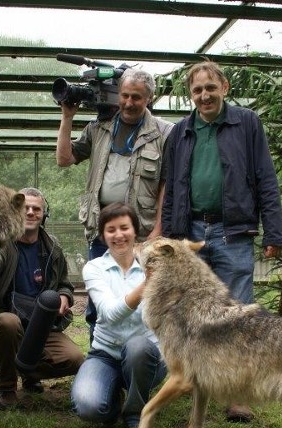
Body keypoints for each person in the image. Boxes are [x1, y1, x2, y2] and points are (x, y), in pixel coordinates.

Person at [162, 60, 282, 423]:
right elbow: (172, 189)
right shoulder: (180, 133)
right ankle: (197, 381)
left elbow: (265, 178)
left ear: (224, 88)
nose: (204, 96)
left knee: (238, 313)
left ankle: (236, 394)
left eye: (210, 88)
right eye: (197, 91)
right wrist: (172, 235)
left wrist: (273, 231)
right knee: (190, 312)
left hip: (234, 232)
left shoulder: (246, 123)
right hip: (192, 233)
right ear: (191, 95)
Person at [56, 68, 173, 339]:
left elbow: (167, 183)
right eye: (124, 95)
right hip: (102, 230)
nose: (129, 103)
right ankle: (101, 353)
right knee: (101, 297)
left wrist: (158, 230)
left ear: (149, 98)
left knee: (144, 296)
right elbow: (64, 159)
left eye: (136, 97)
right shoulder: (99, 129)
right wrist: (67, 117)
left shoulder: (164, 133)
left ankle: (139, 356)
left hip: (142, 233)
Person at [0, 187, 84, 408]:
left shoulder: (52, 247)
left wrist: (64, 296)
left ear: (44, 214)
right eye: (25, 208)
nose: (31, 212)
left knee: (74, 359)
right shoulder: (2, 243)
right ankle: (6, 388)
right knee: (8, 322)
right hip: (1, 325)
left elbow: (64, 283)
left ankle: (28, 373)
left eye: (37, 208)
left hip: (41, 329)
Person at [70, 202, 167, 428]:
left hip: (147, 357)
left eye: (124, 228)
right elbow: (110, 314)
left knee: (138, 346)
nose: (118, 235)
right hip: (106, 354)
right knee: (89, 408)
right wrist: (147, 283)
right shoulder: (94, 268)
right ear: (103, 235)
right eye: (111, 230)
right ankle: (117, 399)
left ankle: (135, 414)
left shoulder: (159, 266)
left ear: (135, 231)